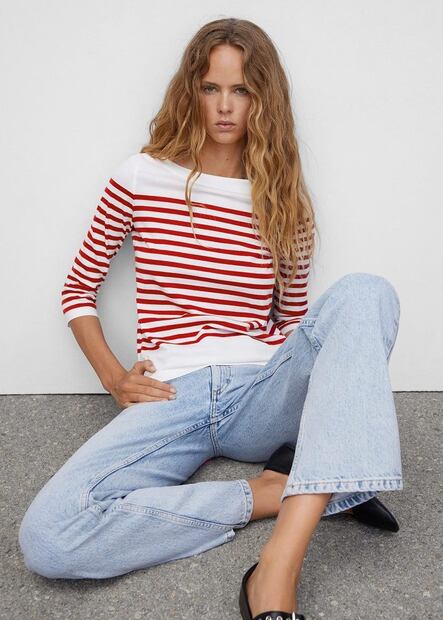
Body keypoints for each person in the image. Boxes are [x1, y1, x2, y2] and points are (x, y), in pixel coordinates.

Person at [18, 18, 403, 620]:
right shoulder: (140, 176)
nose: (225, 106)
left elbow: (296, 323)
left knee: (366, 293)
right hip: (173, 391)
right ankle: (282, 489)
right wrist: (115, 379)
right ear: (190, 91)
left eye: (242, 90)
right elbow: (77, 289)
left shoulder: (284, 198)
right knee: (49, 536)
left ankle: (277, 567)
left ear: (262, 99)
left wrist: (310, 394)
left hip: (261, 389)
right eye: (211, 88)